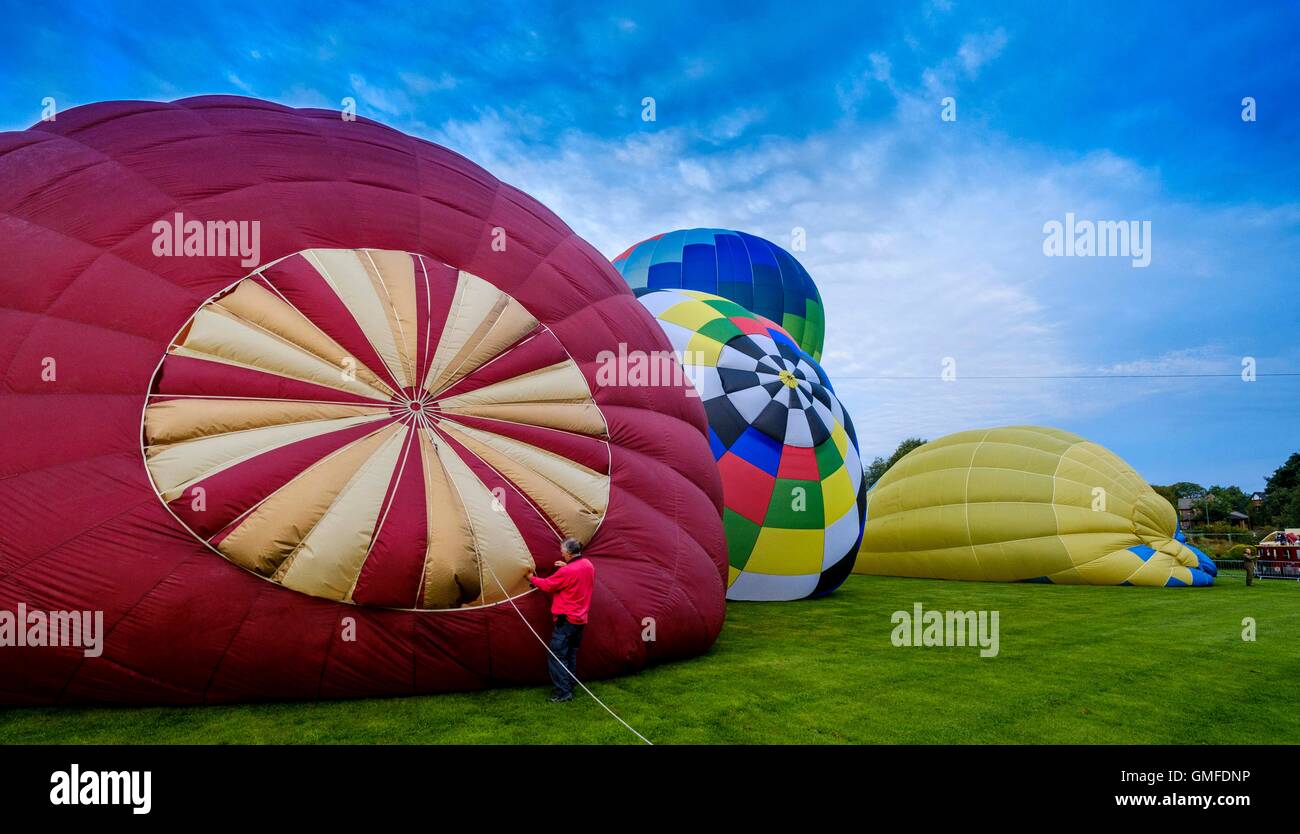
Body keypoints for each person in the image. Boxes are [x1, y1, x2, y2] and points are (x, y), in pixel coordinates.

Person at [524, 538, 595, 703]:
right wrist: (567, 567)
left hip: (566, 620)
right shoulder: (587, 565)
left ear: (569, 553)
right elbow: (576, 576)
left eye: (563, 551)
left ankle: (563, 693)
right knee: (571, 653)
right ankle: (570, 683)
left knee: (557, 656)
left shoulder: (567, 571)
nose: (561, 553)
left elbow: (548, 585)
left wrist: (530, 578)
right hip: (580, 619)